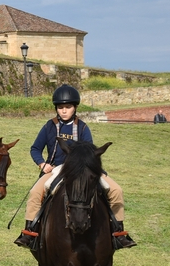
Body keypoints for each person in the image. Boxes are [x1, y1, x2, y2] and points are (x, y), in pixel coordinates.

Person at [14, 84, 136, 250]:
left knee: (116, 190)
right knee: (36, 192)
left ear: (75, 107)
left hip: (82, 169)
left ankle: (118, 233)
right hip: (57, 169)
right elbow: (35, 148)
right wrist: (42, 163)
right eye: (60, 107)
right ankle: (30, 232)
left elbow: (89, 151)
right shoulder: (49, 126)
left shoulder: (83, 127)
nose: (64, 110)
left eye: (68, 107)